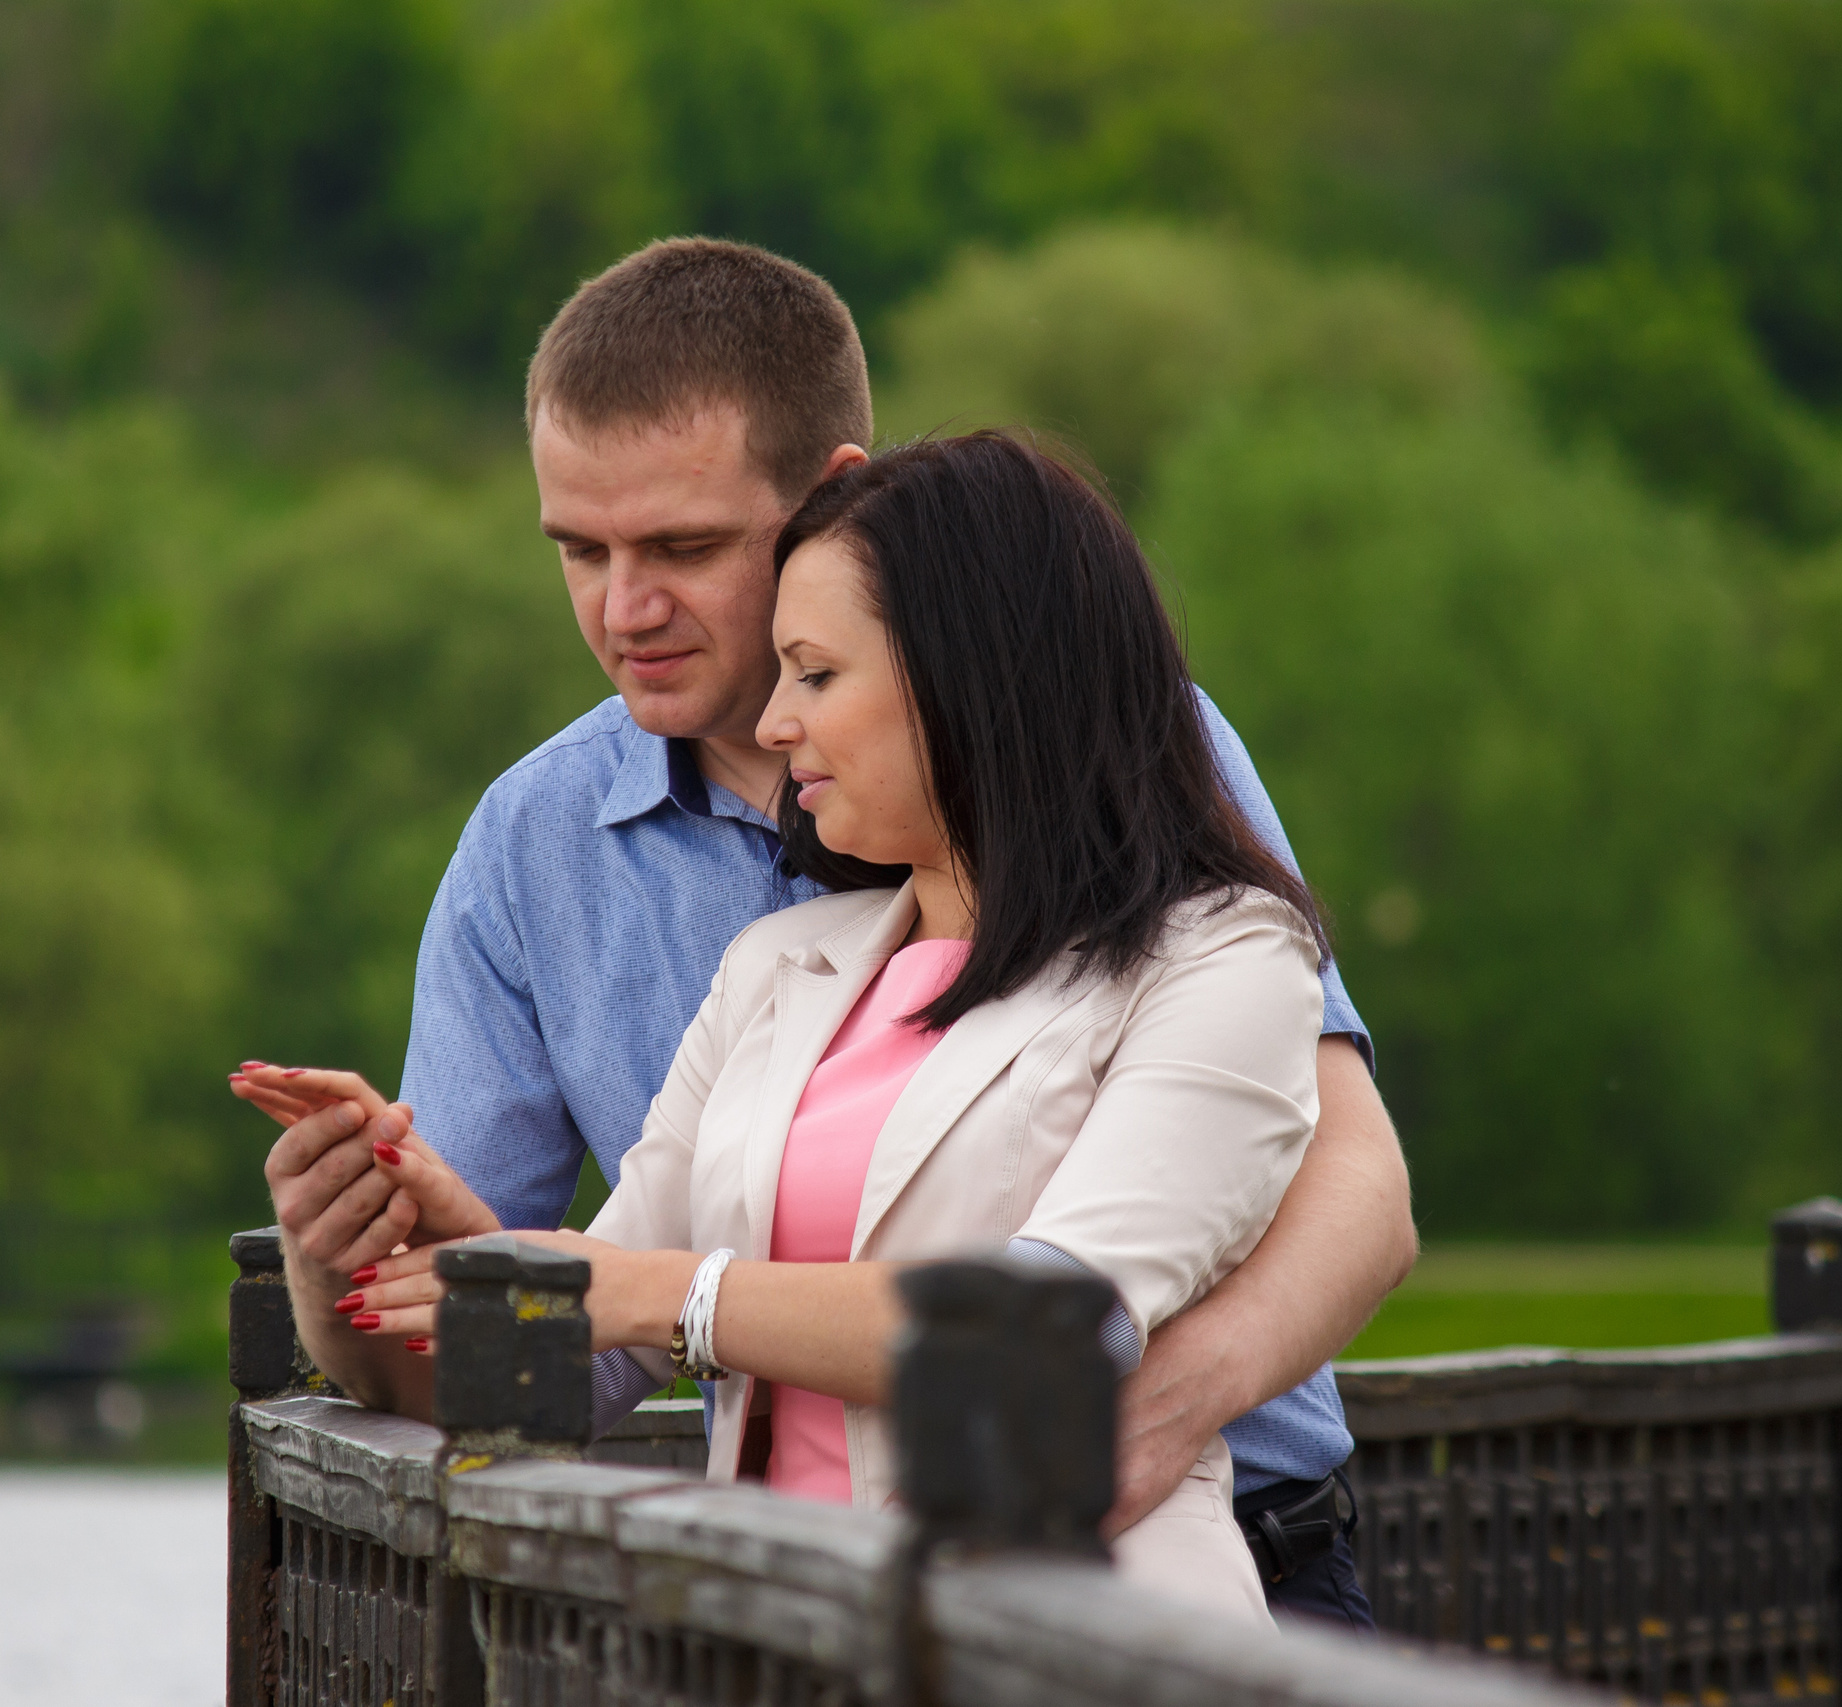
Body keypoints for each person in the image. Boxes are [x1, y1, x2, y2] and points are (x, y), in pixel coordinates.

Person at [233, 238, 1415, 1627]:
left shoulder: (1118, 734)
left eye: (683, 547)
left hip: (1194, 1572)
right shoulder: (548, 852)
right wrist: (348, 1266)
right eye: (581, 550)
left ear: (836, 498)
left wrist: (1145, 1414)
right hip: (811, 1620)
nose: (625, 610)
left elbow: (1359, 1196)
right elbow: (545, 1352)